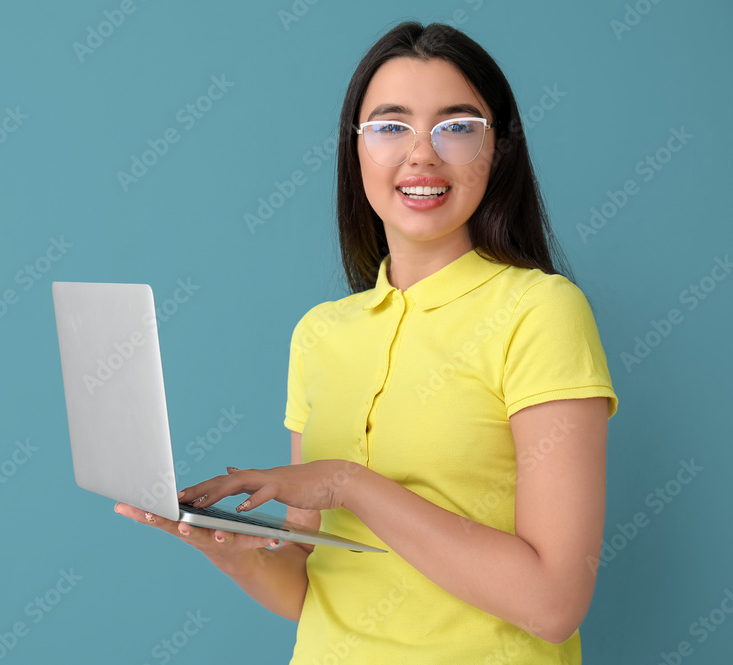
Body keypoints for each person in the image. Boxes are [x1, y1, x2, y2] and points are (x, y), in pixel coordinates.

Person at [116, 20, 617, 663]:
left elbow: (554, 604)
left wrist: (348, 484)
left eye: (456, 127)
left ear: (500, 151)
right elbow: (310, 588)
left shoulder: (541, 312)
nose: (421, 155)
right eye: (390, 126)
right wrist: (227, 548)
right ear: (356, 152)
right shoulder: (321, 334)